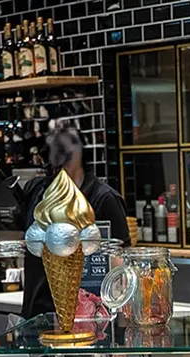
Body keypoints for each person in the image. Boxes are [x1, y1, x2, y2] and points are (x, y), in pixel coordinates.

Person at [19, 123, 131, 318]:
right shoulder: (35, 191)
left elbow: (120, 264)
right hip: (36, 316)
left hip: (88, 319)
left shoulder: (103, 198)